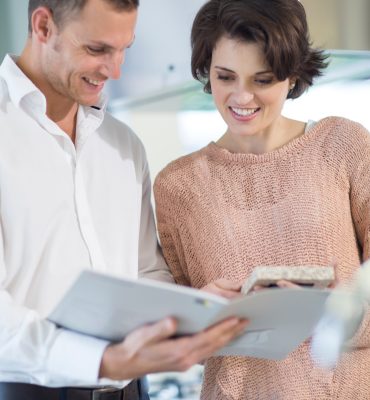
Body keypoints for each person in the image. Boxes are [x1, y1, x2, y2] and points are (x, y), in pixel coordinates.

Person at [0, 1, 249, 399]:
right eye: (97, 50)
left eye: (124, 51)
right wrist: (104, 360)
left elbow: (145, 273)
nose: (114, 71)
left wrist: (194, 306)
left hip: (131, 390)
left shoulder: (122, 144)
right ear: (43, 26)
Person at [153, 0, 370, 398]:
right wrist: (202, 311)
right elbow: (179, 337)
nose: (242, 96)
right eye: (225, 76)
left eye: (262, 79)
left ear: (292, 76)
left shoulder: (344, 146)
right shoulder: (177, 185)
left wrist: (331, 313)